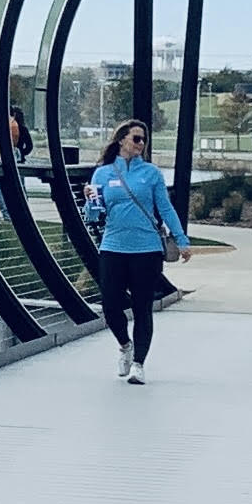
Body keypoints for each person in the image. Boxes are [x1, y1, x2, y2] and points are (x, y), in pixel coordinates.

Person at [82, 118, 189, 385]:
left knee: (142, 308)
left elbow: (165, 208)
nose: (141, 144)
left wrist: (181, 239)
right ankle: (125, 346)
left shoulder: (151, 173)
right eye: (136, 138)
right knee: (110, 305)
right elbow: (94, 215)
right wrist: (90, 201)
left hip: (146, 249)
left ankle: (139, 364)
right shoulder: (103, 174)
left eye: (144, 140)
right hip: (113, 247)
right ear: (122, 140)